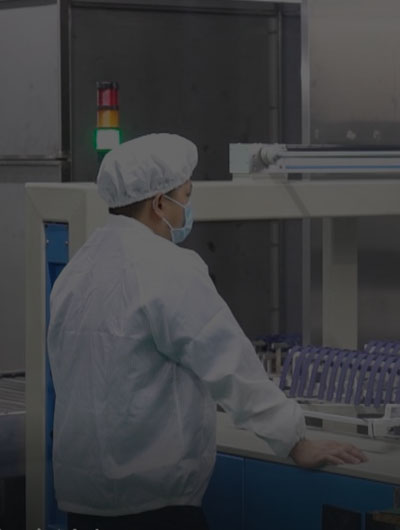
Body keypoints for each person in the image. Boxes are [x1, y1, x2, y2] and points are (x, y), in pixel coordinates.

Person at [47, 133, 367, 530]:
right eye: (185, 195)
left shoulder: (77, 268)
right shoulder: (168, 268)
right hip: (153, 506)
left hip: (83, 502)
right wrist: (294, 440)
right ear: (159, 203)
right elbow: (229, 363)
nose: (187, 209)